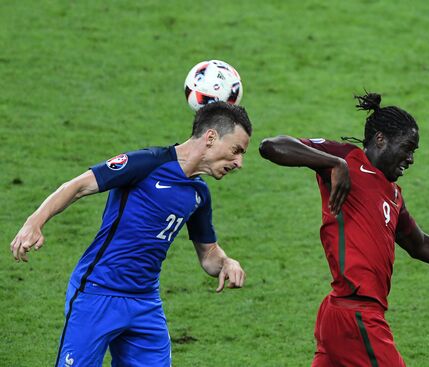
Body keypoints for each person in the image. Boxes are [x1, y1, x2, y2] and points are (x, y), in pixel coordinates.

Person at [259, 92, 429, 367]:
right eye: (407, 148)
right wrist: (334, 163)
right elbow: (271, 146)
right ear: (381, 139)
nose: (411, 159)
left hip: (340, 313)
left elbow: (421, 245)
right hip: (355, 314)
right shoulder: (348, 159)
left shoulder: (393, 194)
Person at [10, 101, 252, 367]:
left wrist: (226, 262)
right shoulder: (146, 163)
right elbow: (78, 186)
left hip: (145, 302)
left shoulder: (198, 194)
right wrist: (35, 222)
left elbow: (208, 254)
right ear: (210, 137)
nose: (239, 162)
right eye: (236, 150)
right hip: (97, 294)